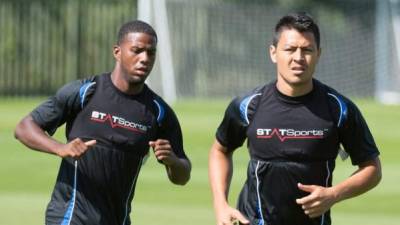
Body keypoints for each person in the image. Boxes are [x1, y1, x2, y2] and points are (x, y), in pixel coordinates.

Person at [208, 12, 381, 225]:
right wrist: (220, 204)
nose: (298, 58)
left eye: (307, 50)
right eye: (289, 49)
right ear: (273, 53)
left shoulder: (339, 109)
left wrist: (334, 194)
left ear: (319, 54)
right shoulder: (247, 106)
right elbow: (220, 150)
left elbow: (372, 169)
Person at [14, 20, 191, 225]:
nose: (144, 59)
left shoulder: (159, 113)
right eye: (137, 50)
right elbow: (24, 127)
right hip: (70, 216)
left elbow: (182, 176)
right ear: (117, 52)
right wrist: (61, 148)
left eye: (151, 53)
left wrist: (172, 161)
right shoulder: (84, 92)